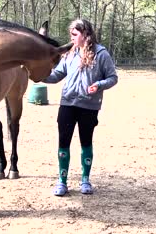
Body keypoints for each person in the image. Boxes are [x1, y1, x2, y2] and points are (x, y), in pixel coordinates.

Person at [42, 19, 118, 196]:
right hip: (67, 104)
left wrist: (99, 84)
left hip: (89, 107)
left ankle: (85, 180)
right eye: (71, 34)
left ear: (85, 34)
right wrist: (39, 76)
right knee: (63, 143)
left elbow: (113, 78)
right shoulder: (69, 53)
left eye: (75, 34)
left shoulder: (101, 54)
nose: (72, 37)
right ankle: (62, 182)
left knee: (86, 143)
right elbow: (56, 75)